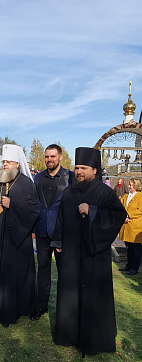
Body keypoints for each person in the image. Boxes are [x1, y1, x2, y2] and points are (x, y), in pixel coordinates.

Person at [51, 147, 127, 356]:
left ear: (95, 170)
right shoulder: (69, 191)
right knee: (70, 294)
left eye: (83, 168)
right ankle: (68, 335)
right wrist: (57, 239)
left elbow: (118, 216)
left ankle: (95, 340)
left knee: (93, 297)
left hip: (94, 256)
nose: (79, 171)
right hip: (71, 255)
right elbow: (60, 218)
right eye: (76, 168)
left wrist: (92, 211)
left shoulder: (105, 192)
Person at [0, 144, 40, 327]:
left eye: (8, 162)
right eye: (3, 161)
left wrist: (13, 205)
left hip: (16, 241)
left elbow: (34, 211)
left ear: (18, 164)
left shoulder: (27, 184)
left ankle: (13, 309)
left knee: (13, 276)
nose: (5, 165)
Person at [30, 144, 74, 320]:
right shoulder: (37, 178)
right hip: (42, 232)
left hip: (62, 233)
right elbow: (34, 204)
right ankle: (41, 306)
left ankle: (66, 310)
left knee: (65, 272)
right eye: (47, 157)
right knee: (43, 271)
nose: (49, 160)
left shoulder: (70, 177)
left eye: (53, 157)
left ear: (60, 157)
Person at [119, 178, 142, 275]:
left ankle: (135, 268)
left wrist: (128, 215)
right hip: (126, 226)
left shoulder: (140, 197)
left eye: (131, 185)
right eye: (129, 184)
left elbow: (140, 210)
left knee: (136, 248)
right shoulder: (126, 196)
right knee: (128, 247)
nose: (129, 187)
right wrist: (123, 216)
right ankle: (128, 265)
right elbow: (120, 207)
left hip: (135, 226)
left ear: (136, 186)